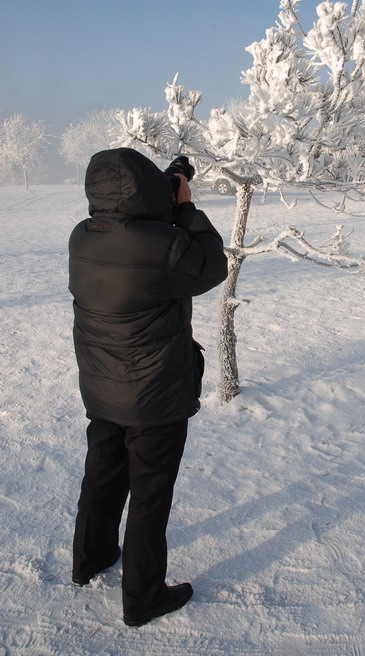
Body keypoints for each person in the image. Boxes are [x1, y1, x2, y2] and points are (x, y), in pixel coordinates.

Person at [68, 148, 228, 627]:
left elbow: (133, 230)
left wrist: (164, 197)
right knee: (149, 496)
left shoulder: (82, 236)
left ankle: (90, 559)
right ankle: (143, 598)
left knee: (102, 476)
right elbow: (213, 264)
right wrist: (184, 207)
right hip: (154, 396)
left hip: (102, 388)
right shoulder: (164, 245)